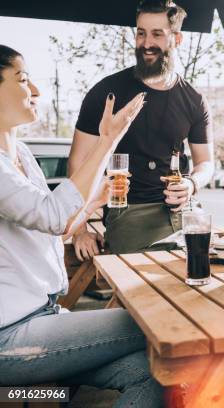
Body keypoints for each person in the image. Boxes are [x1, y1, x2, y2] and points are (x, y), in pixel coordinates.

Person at [0, 45, 164, 407]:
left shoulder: (22, 155)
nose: (36, 91)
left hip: (46, 317)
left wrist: (94, 201)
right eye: (23, 79)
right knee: (152, 321)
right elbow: (54, 216)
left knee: (151, 371)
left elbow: (56, 227)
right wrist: (109, 141)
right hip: (10, 337)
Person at [68, 0, 214, 257]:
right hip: (128, 215)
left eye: (157, 34)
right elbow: (78, 162)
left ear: (176, 40)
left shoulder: (194, 100)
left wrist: (191, 184)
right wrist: (80, 229)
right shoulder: (106, 92)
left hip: (186, 213)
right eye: (141, 33)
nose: (146, 43)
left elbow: (207, 164)